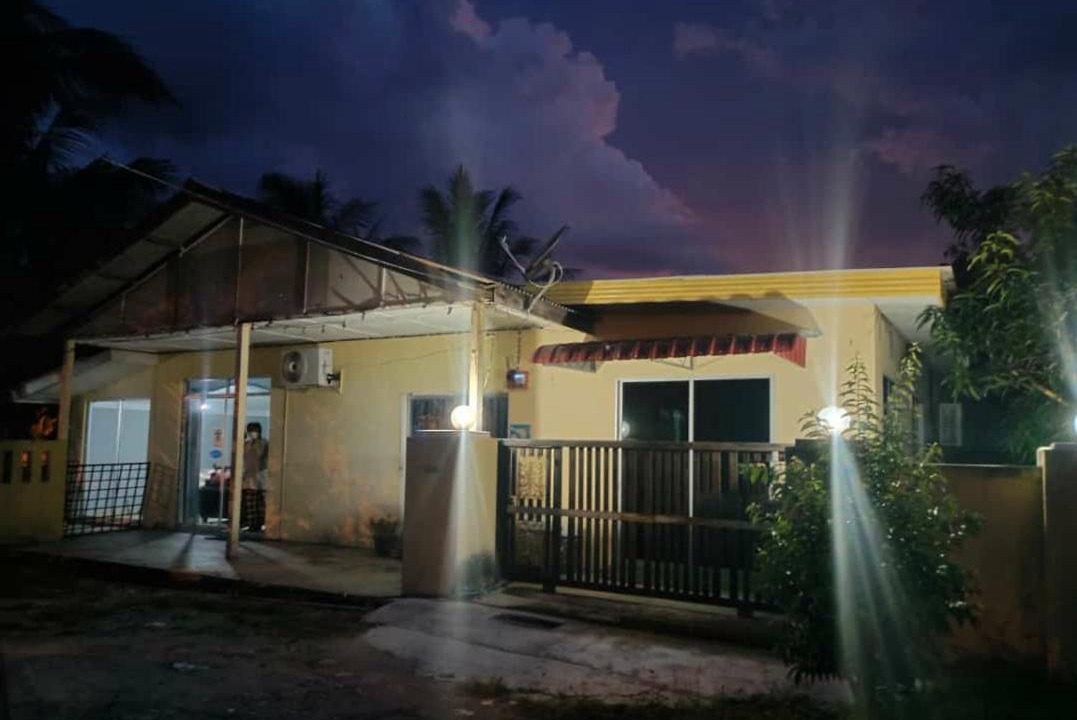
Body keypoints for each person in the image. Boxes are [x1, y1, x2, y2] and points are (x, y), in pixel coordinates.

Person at [241, 422, 269, 532]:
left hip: (262, 476)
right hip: (249, 476)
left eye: (254, 430)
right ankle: (252, 524)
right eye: (250, 430)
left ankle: (261, 524)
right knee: (251, 503)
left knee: (261, 503)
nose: (252, 432)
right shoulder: (246, 444)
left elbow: (263, 457)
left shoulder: (264, 443)